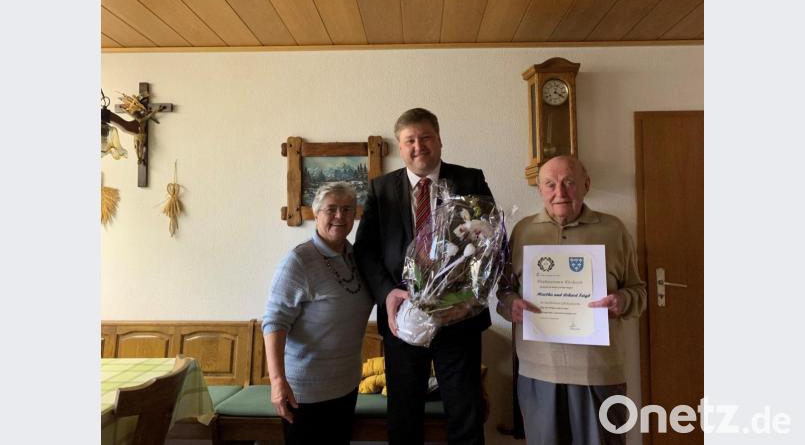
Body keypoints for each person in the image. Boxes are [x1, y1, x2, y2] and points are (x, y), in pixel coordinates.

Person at [354, 107, 493, 445]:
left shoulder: (469, 179)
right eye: (409, 141)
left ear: (439, 139)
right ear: (401, 147)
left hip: (458, 318)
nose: (419, 146)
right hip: (402, 319)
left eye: (425, 137)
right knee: (403, 414)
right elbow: (366, 251)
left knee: (465, 411)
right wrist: (388, 293)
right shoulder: (381, 189)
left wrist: (468, 298)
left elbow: (490, 243)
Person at [496, 155, 647, 445]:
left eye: (569, 183)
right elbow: (503, 291)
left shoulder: (613, 230)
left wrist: (622, 300)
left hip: (599, 373)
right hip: (538, 372)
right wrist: (510, 304)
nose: (560, 193)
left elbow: (638, 291)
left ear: (586, 185)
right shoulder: (523, 231)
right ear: (539, 190)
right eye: (550, 184)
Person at [262, 182, 373, 445]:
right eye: (331, 209)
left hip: (346, 384)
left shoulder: (355, 256)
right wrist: (277, 381)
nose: (340, 216)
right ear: (316, 213)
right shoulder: (299, 261)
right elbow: (274, 321)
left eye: (347, 209)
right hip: (305, 391)